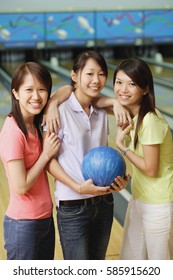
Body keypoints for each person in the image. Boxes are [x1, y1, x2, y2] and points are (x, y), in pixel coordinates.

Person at [43, 50, 129, 260]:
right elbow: (49, 161)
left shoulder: (102, 110)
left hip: (104, 202)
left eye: (101, 74)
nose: (96, 80)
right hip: (73, 206)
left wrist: (121, 180)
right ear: (74, 76)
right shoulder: (59, 111)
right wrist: (77, 187)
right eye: (89, 74)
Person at [114, 57, 173, 260]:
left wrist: (121, 147)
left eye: (132, 84)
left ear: (145, 89)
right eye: (119, 82)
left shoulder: (151, 121)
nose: (123, 89)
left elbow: (150, 168)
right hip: (140, 200)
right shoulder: (136, 118)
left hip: (159, 205)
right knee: (131, 262)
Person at [0, 62, 60, 260]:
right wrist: (46, 155)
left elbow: (69, 89)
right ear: (16, 93)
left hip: (44, 219)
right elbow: (20, 186)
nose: (36, 96)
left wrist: (51, 105)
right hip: (23, 225)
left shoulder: (34, 124)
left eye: (42, 90)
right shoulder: (13, 132)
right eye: (29, 90)